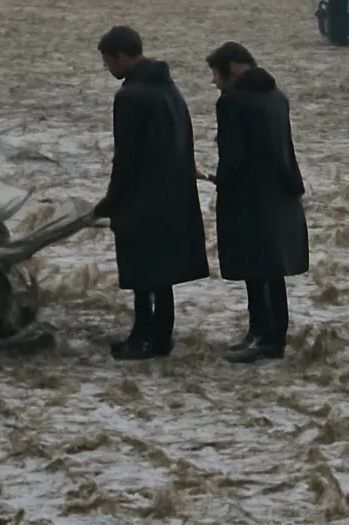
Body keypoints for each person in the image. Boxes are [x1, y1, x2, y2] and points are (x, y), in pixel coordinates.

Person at [93, 26, 209, 360]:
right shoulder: (169, 89)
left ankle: (143, 337)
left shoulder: (131, 96)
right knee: (162, 273)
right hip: (173, 194)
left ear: (121, 56)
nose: (108, 69)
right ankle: (160, 336)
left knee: (141, 271)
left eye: (107, 61)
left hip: (141, 198)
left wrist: (112, 201)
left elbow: (126, 156)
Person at [206, 41, 309, 363]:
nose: (214, 82)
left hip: (248, 198)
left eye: (215, 74)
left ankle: (262, 338)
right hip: (279, 194)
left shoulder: (233, 102)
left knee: (255, 268)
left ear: (233, 67)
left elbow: (233, 155)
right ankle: (270, 334)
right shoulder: (276, 97)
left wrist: (219, 180)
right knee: (271, 270)